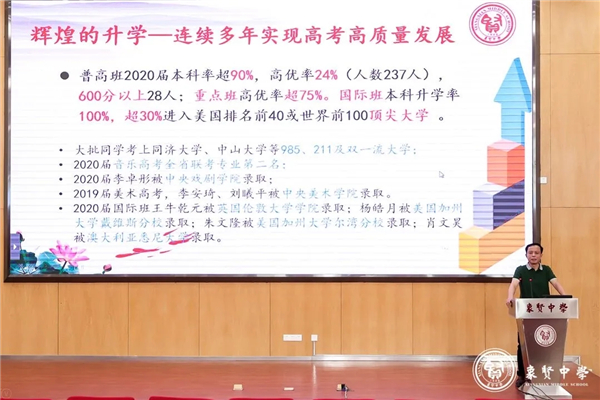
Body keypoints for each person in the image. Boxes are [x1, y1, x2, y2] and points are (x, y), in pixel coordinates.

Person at [505, 242, 567, 389]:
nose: (533, 255)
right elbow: (513, 285)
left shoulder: (546, 270)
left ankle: (543, 373)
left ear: (541, 255)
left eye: (536, 253)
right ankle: (522, 375)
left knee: (544, 343)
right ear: (526, 255)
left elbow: (556, 284)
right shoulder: (520, 270)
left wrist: (565, 297)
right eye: (530, 253)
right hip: (526, 312)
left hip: (545, 312)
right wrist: (510, 297)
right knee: (523, 344)